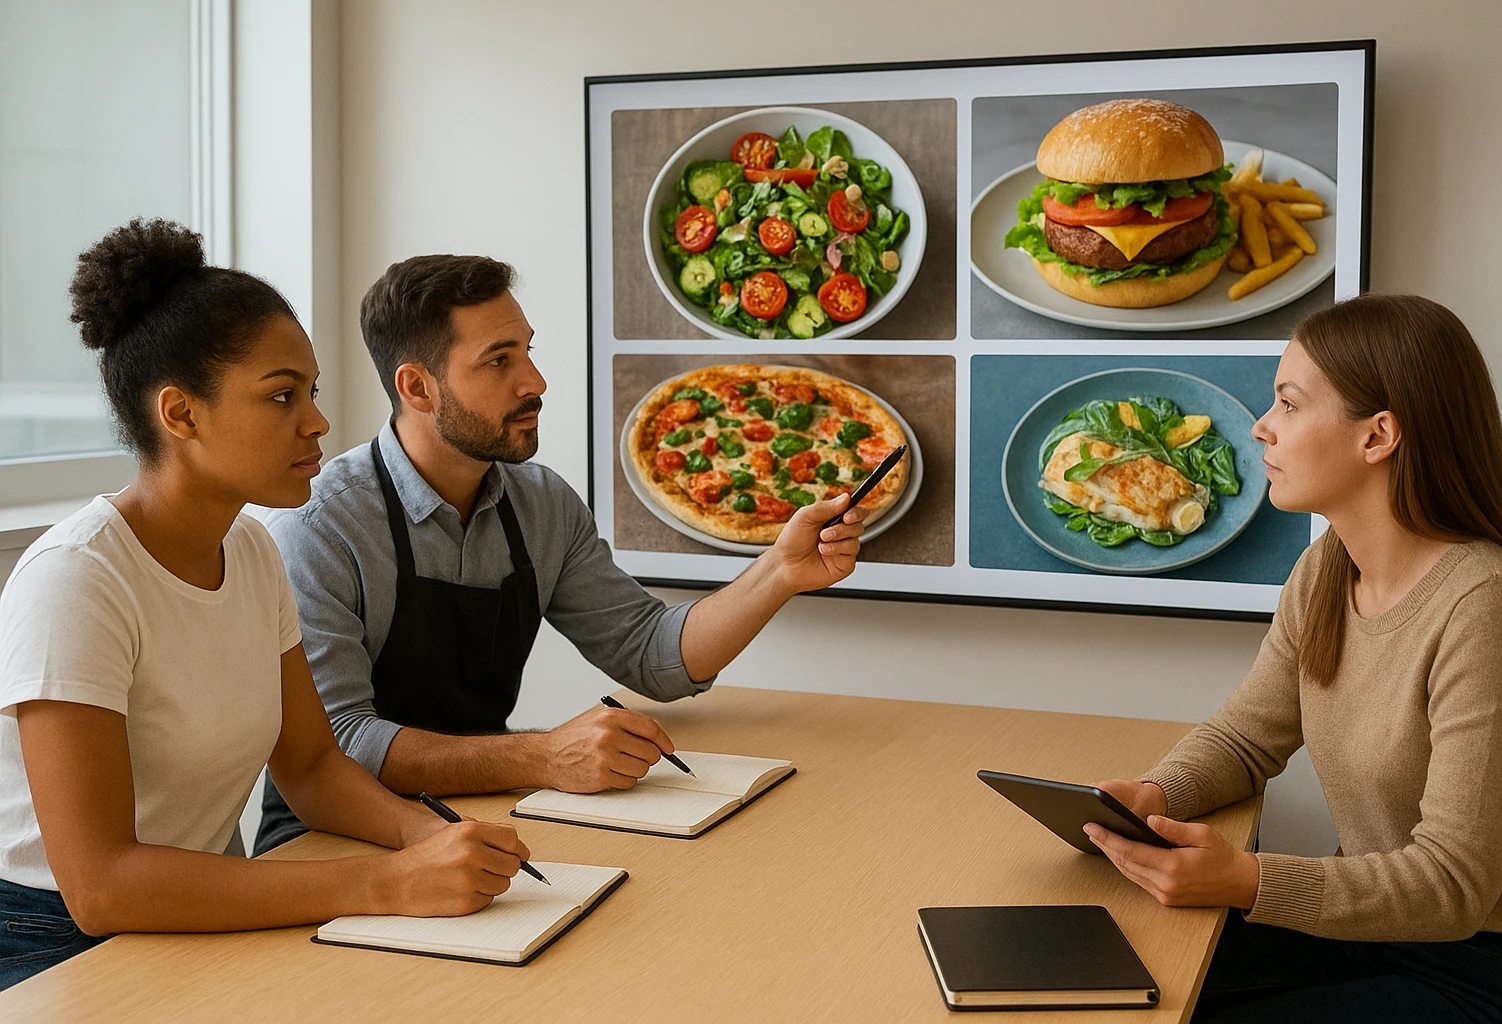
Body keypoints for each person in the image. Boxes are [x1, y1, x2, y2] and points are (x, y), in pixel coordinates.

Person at [0, 221, 534, 991]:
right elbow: (101, 886)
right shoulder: (76, 581)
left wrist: (439, 837)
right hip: (53, 943)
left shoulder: (250, 549)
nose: (317, 421)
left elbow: (312, 766)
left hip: (202, 909)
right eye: (282, 395)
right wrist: (387, 883)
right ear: (179, 415)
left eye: (311, 392)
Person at [254, 254, 867, 853]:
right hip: (332, 843)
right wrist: (543, 755)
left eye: (528, 351)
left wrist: (780, 572)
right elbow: (340, 748)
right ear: (417, 387)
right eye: (499, 361)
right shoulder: (318, 529)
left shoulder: (541, 503)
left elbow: (653, 654)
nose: (535, 383)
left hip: (488, 818)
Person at [1085, 294, 1502, 1022]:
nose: (1261, 426)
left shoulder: (1489, 606)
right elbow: (1247, 737)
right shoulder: (1328, 567)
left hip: (1488, 964)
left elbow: (1454, 884)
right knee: (1110, 977)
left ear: (1378, 436)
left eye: (1289, 406)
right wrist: (1155, 796)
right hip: (1369, 927)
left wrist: (1244, 879)